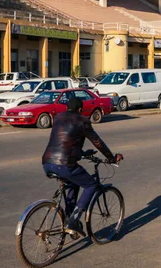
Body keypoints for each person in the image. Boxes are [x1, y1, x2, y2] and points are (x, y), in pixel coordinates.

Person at [42, 97, 123, 237]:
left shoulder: (59, 117)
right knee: (92, 185)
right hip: (65, 164)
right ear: (80, 109)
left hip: (47, 162)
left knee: (73, 184)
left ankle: (68, 220)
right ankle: (73, 220)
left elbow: (65, 140)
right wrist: (111, 157)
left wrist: (82, 153)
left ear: (67, 107)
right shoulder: (83, 120)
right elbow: (97, 141)